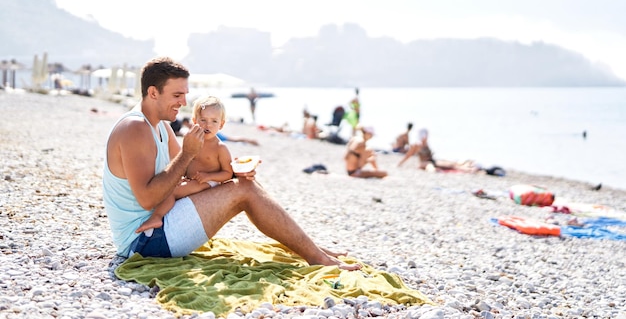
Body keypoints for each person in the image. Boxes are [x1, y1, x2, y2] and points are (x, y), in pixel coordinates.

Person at [102, 57, 359, 270]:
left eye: (185, 95)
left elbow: (186, 173)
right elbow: (148, 198)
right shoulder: (134, 128)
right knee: (244, 191)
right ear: (153, 92)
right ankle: (317, 258)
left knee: (245, 181)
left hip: (162, 221)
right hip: (144, 241)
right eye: (177, 95)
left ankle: (312, 248)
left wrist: (230, 170)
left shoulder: (162, 128)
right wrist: (188, 154)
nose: (183, 102)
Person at [136, 95, 235, 233]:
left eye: (214, 121)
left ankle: (156, 217)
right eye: (203, 120)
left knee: (171, 192)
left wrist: (208, 177)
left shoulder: (220, 147)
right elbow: (186, 160)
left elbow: (228, 173)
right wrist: (180, 177)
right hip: (193, 180)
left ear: (222, 124)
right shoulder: (193, 141)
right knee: (168, 185)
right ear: (194, 121)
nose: (208, 125)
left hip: (208, 182)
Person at [397, 128, 479, 173]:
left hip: (432, 161)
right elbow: (408, 155)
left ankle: (468, 167)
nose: (427, 137)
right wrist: (400, 164)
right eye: (426, 135)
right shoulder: (417, 145)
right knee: (429, 165)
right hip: (424, 163)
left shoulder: (426, 144)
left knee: (450, 164)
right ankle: (433, 171)